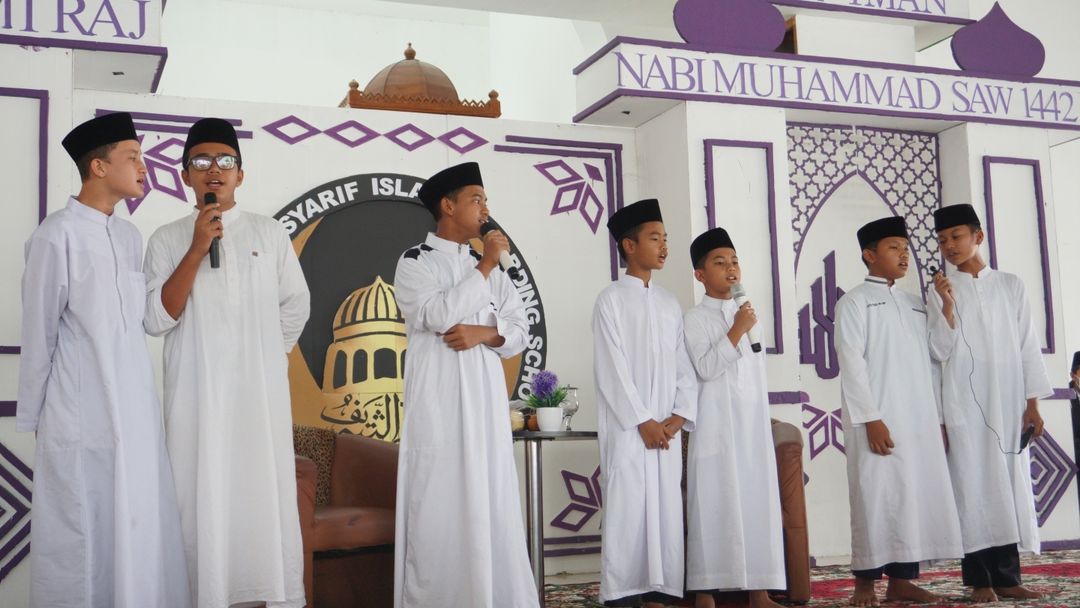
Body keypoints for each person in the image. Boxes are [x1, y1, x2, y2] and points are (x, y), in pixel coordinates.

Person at [18, 112, 189, 607]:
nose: (143, 167)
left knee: (137, 525)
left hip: (135, 411)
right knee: (82, 533)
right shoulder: (56, 236)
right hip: (79, 414)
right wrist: (38, 419)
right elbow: (39, 334)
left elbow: (135, 323)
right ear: (98, 166)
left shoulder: (129, 237)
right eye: (132, 157)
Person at [143, 118, 310, 607]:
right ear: (184, 175)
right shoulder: (167, 238)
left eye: (224, 161)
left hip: (259, 399)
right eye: (200, 161)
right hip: (197, 400)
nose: (213, 170)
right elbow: (156, 318)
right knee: (201, 499)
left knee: (261, 499)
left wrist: (266, 355)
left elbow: (296, 304)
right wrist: (198, 248)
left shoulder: (268, 232)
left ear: (240, 174)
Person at [392, 162, 538, 607]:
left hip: (486, 407)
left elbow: (519, 330)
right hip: (439, 408)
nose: (485, 210)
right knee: (439, 507)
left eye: (486, 200)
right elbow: (436, 315)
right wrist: (487, 265)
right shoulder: (415, 261)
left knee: (492, 502)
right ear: (448, 205)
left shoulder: (489, 269)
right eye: (477, 199)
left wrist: (485, 333)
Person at [834, 216, 964, 606]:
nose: (904, 256)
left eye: (906, 249)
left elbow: (938, 353)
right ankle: (864, 583)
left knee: (910, 498)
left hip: (917, 417)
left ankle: (902, 582)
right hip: (875, 418)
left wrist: (947, 307)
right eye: (894, 248)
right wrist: (871, 418)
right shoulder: (853, 302)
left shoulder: (914, 304)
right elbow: (851, 364)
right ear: (869, 254)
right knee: (874, 497)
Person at [927, 203, 1052, 603]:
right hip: (962, 405)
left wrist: (1032, 404)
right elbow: (938, 350)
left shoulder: (1011, 285)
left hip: (1008, 401)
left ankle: (1008, 578)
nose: (949, 246)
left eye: (956, 236)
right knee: (971, 485)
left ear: (977, 236)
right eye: (942, 240)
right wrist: (947, 306)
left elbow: (1027, 345)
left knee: (1007, 485)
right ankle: (980, 581)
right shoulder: (940, 289)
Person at [592, 198, 698, 607]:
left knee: (665, 509)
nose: (664, 246)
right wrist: (642, 420)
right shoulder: (611, 300)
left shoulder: (670, 303)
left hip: (665, 430)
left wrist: (678, 415)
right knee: (629, 505)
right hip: (630, 430)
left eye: (665, 238)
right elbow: (612, 368)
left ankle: (660, 591)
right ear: (629, 245)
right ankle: (622, 591)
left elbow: (683, 365)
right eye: (655, 238)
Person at [683, 227, 786, 608]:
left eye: (734, 262)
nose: (731, 269)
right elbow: (707, 368)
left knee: (756, 501)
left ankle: (759, 591)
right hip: (716, 429)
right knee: (714, 505)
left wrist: (743, 325)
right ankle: (705, 593)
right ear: (700, 274)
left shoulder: (748, 315)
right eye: (719, 262)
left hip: (751, 428)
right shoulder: (694, 319)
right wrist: (736, 330)